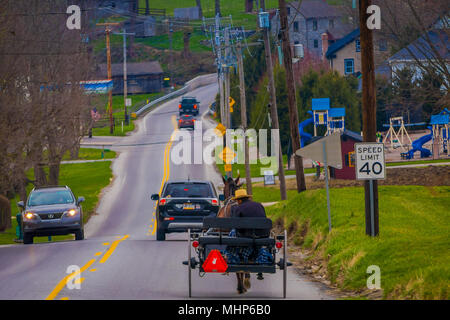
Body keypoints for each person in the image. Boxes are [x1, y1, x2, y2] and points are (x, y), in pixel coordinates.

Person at [230, 189, 271, 282]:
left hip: (247, 237)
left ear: (239, 200)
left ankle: (234, 256)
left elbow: (237, 226)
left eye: (237, 201)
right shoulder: (259, 205)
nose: (237, 203)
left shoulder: (238, 208)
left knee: (232, 232)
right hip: (263, 236)